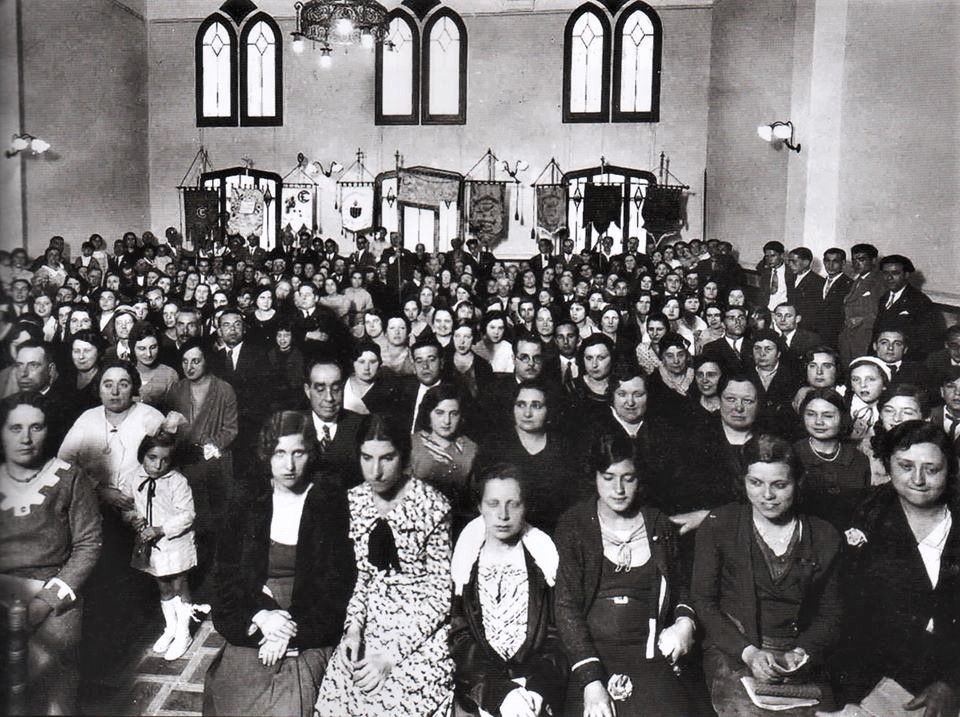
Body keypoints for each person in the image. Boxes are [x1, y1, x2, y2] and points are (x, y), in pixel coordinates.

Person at [204, 411, 355, 717]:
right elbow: (225, 577)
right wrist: (262, 617)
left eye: (298, 453)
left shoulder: (329, 501)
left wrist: (289, 633)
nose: (289, 465)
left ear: (310, 454)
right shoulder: (247, 499)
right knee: (233, 695)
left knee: (290, 707)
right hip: (256, 611)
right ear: (266, 455)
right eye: (279, 453)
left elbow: (337, 589)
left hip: (308, 620)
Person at [691, 434, 843, 716]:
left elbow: (830, 614)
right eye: (756, 483)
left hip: (798, 654)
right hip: (734, 650)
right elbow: (703, 602)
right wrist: (747, 652)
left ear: (798, 483)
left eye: (780, 485)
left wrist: (802, 652)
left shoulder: (824, 536)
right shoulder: (719, 525)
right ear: (743, 481)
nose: (767, 496)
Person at [315, 414, 455, 717]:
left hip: (421, 631)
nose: (375, 471)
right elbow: (363, 578)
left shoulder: (434, 505)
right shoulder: (354, 501)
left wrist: (392, 656)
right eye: (367, 458)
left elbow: (441, 596)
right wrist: (353, 630)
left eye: (387, 458)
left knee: (391, 702)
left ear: (403, 456)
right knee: (339, 698)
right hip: (372, 622)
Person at [554, 432, 700, 717]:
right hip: (589, 657)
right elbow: (565, 608)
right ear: (594, 476)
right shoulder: (574, 525)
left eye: (628, 478)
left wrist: (685, 622)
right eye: (608, 477)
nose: (618, 489)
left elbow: (681, 586)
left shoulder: (658, 524)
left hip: (650, 656)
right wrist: (591, 681)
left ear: (639, 478)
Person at [834, 421, 960, 717]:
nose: (917, 479)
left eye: (931, 469)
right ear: (888, 466)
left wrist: (951, 682)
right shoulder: (864, 511)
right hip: (877, 675)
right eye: (905, 466)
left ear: (950, 470)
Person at [0, 392, 102, 715]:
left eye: (36, 427)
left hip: (52, 594)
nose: (26, 438)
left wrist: (46, 601)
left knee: (54, 683)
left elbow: (88, 545)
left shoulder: (70, 478)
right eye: (15, 428)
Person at [448, 464, 567, 717]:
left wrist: (537, 689)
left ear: (526, 506)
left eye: (513, 504)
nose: (503, 515)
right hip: (480, 690)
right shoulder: (465, 563)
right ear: (479, 506)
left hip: (534, 690)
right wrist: (499, 693)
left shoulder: (543, 562)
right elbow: (460, 639)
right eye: (493, 504)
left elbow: (557, 637)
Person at [162, 338, 238, 592]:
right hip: (185, 466)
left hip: (215, 465)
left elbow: (231, 429)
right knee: (190, 525)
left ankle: (216, 585)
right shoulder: (177, 390)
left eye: (196, 360)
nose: (190, 366)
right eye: (185, 361)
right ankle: (193, 586)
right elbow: (170, 431)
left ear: (206, 360)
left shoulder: (224, 389)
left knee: (216, 525)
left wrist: (209, 446)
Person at [119, 432, 198, 661]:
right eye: (152, 457)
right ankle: (170, 628)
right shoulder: (134, 477)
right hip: (151, 546)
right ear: (142, 456)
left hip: (176, 543)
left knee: (179, 585)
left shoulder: (177, 482)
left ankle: (184, 634)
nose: (158, 465)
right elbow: (126, 505)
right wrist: (133, 517)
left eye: (165, 460)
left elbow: (188, 515)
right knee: (163, 586)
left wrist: (160, 529)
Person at [793, 388, 870, 530]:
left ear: (843, 418)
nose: (818, 422)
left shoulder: (859, 460)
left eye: (828, 416)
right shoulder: (792, 455)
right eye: (811, 414)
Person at [410, 384, 478, 536]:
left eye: (453, 414)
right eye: (439, 413)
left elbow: (474, 499)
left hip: (459, 526)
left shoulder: (471, 449)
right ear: (428, 414)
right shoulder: (412, 445)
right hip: (417, 525)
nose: (446, 421)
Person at [130, 321, 177, 407]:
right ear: (132, 348)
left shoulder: (169, 374)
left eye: (153, 347)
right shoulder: (125, 372)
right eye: (142, 348)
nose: (148, 354)